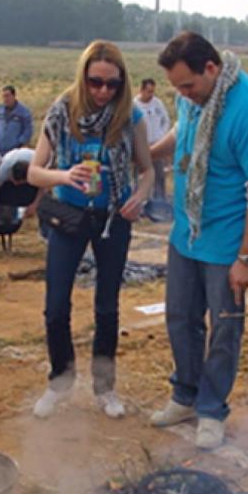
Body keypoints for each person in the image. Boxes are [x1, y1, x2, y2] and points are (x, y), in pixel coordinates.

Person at [147, 32, 248, 449]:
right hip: (186, 234)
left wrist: (246, 258)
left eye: (188, 86)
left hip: (227, 244)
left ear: (212, 68)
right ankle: (184, 394)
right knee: (180, 318)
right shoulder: (193, 98)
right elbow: (182, 134)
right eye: (177, 88)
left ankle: (211, 408)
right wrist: (149, 153)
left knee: (224, 329)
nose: (183, 94)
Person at [26, 40, 154, 420]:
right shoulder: (63, 112)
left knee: (107, 307)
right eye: (95, 82)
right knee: (55, 307)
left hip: (113, 220)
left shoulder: (129, 117)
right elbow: (33, 171)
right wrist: (64, 175)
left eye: (111, 84)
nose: (102, 91)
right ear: (83, 78)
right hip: (68, 216)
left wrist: (140, 197)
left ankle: (105, 387)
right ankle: (59, 382)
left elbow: (147, 169)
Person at [133, 78, 172, 221]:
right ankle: (139, 205)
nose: (151, 94)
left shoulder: (157, 103)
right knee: (140, 176)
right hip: (141, 145)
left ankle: (159, 202)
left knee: (159, 175)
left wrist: (162, 136)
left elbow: (165, 119)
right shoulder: (134, 105)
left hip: (157, 143)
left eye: (153, 91)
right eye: (148, 91)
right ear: (142, 90)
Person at [0, 85, 33, 155]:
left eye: (7, 96)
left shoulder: (23, 112)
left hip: (15, 152)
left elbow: (28, 130)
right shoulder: (0, 110)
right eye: (3, 96)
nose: (5, 99)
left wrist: (20, 143)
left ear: (14, 96)